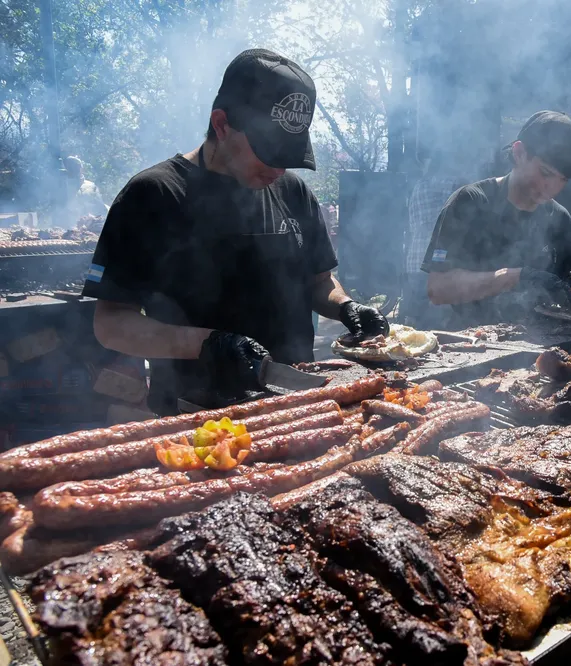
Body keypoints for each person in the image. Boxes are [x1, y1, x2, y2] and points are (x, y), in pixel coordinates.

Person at [83, 49, 388, 415]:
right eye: (269, 151)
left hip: (299, 408)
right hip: (197, 413)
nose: (279, 167)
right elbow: (111, 324)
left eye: (289, 153)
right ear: (222, 124)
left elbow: (318, 280)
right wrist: (209, 343)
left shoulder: (292, 192)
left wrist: (345, 306)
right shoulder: (154, 195)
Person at [421, 111, 571, 329]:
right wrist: (515, 277)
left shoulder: (560, 218)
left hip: (538, 347)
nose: (552, 188)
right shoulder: (471, 201)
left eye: (562, 180)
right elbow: (438, 289)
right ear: (519, 152)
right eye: (545, 173)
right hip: (471, 344)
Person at [401, 151, 465, 328]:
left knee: (420, 316)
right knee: (439, 319)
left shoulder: (419, 186)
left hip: (414, 262)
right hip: (435, 262)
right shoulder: (449, 183)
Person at [62, 155, 108, 223]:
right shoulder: (62, 185)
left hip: (87, 226)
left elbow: (101, 208)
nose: (73, 168)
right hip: (65, 225)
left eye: (76, 166)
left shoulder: (91, 186)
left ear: (81, 168)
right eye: (70, 166)